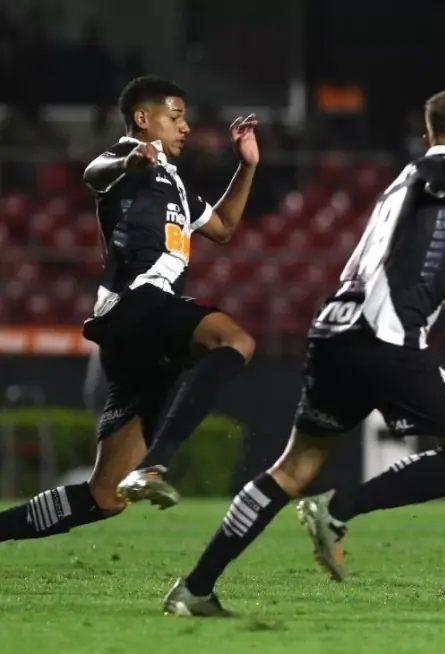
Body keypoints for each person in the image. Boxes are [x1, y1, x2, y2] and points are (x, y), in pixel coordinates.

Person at [161, 84, 445, 616]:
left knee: (293, 468)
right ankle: (338, 509)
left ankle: (195, 587)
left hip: (335, 332)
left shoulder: (400, 195)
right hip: (382, 345)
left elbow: (403, 307)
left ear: (426, 134)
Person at [0, 76, 259, 544]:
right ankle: (156, 465)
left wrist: (247, 166)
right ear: (143, 118)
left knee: (105, 497)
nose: (185, 127)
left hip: (135, 334)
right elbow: (93, 174)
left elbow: (223, 226)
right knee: (234, 340)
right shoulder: (126, 161)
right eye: (175, 116)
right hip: (139, 305)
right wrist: (129, 160)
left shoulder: (174, 181)